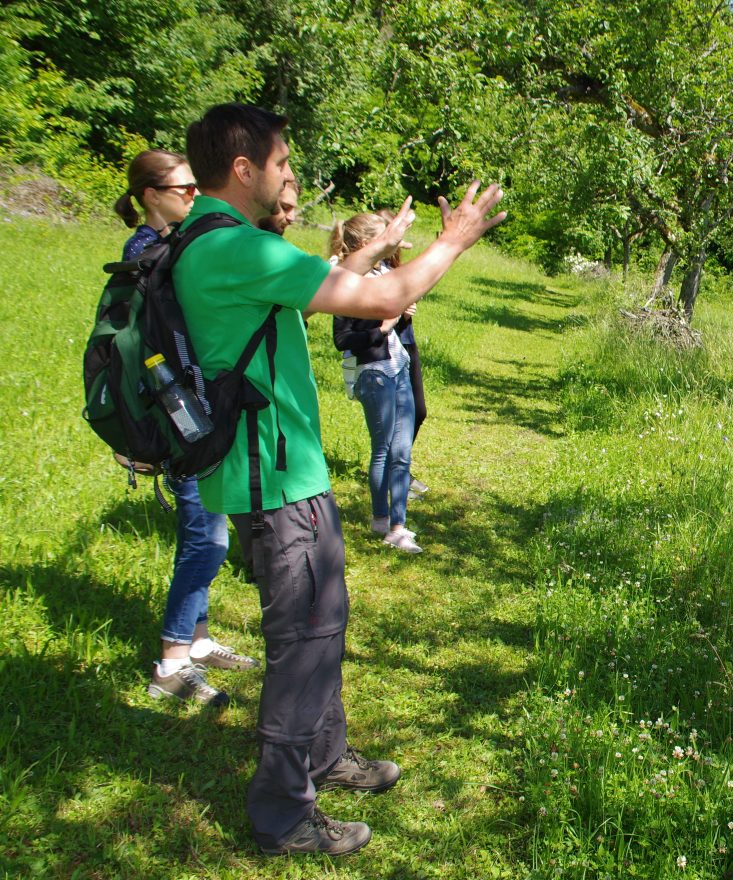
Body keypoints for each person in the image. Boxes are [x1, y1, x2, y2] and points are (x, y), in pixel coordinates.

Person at [173, 103, 503, 857]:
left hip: (275, 474)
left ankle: (325, 757)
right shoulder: (237, 248)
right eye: (282, 163)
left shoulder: (212, 242)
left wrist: (376, 247)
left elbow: (320, 287)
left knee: (319, 628)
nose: (290, 176)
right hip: (277, 481)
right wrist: (453, 241)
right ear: (244, 168)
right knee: (305, 643)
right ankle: (283, 813)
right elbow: (385, 299)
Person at [114, 149, 257, 709]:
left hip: (194, 410)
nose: (195, 197)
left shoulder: (167, 246)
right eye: (184, 189)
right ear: (151, 195)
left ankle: (196, 640)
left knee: (206, 526)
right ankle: (171, 665)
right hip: (178, 418)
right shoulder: (145, 255)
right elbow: (141, 353)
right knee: (207, 538)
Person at [329, 214, 421, 553]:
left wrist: (403, 316)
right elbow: (342, 339)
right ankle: (381, 518)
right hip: (374, 374)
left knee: (402, 451)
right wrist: (381, 328)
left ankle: (398, 525)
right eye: (384, 236)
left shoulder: (384, 274)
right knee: (383, 449)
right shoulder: (346, 281)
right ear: (366, 243)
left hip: (399, 366)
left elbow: (396, 323)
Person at [376, 209, 429, 497]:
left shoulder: (394, 266)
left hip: (406, 343)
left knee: (417, 411)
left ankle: (399, 470)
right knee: (396, 418)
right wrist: (398, 309)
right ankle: (395, 477)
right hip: (384, 351)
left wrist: (407, 311)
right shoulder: (372, 271)